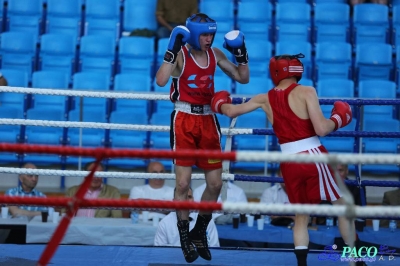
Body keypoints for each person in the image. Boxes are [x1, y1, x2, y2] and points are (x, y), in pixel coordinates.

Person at [211, 53, 366, 266]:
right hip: (312, 155)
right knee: (342, 206)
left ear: (275, 72)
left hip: (288, 162)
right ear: (297, 71)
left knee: (301, 216)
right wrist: (339, 118)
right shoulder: (306, 91)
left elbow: (230, 111)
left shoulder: (264, 98)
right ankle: (355, 261)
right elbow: (322, 128)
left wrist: (220, 103)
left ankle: (301, 264)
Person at [155, 12, 249, 263]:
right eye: (205, 34)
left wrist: (241, 53)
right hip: (184, 118)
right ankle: (184, 237)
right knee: (183, 184)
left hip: (208, 119)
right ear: (195, 34)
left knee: (216, 184)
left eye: (211, 34)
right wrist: (171, 49)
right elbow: (161, 81)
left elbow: (243, 77)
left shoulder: (215, 54)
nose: (209, 38)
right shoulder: (181, 55)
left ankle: (199, 232)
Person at [154, 187, 220, 247]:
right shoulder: (164, 223)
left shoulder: (206, 220)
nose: (186, 200)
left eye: (189, 197)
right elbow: (159, 253)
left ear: (193, 200)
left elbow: (215, 249)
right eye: (182, 197)